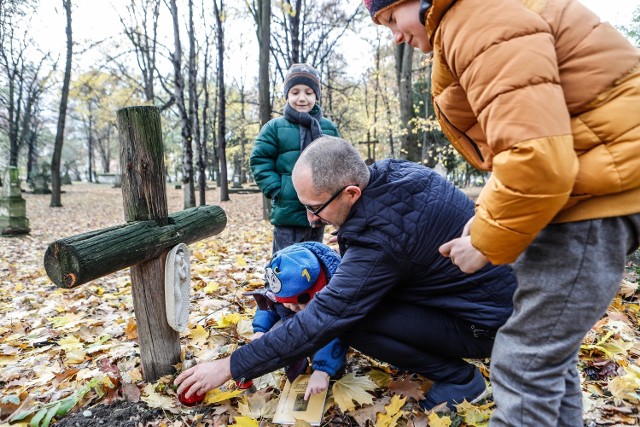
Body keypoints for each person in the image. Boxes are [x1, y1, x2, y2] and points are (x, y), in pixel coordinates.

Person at [363, 0, 640, 425]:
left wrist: (484, 243)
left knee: (523, 362)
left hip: (592, 201)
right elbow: (522, 144)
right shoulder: (477, 18)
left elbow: (536, 159)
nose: (395, 35)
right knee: (548, 358)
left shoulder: (476, 22)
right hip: (585, 192)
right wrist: (485, 216)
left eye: (390, 18)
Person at [176, 136, 518, 411]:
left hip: (487, 325)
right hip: (491, 299)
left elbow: (326, 316)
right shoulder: (391, 173)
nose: (311, 219)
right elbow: (402, 234)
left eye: (315, 207)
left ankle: (460, 380)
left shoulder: (380, 241)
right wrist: (354, 233)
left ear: (351, 192)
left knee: (350, 319)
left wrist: (230, 366)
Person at [250, 63, 340, 254]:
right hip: (288, 209)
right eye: (295, 92)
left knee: (314, 259)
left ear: (316, 96)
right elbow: (260, 160)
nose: (302, 98)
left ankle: (314, 286)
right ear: (287, 95)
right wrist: (278, 189)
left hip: (319, 208)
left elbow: (338, 162)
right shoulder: (274, 128)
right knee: (286, 261)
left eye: (308, 92)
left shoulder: (328, 128)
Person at [249, 241, 345, 400]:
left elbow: (334, 333)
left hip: (325, 331)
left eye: (297, 304)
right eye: (286, 302)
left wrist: (322, 371)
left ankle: (329, 372)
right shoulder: (282, 288)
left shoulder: (334, 296)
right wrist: (260, 330)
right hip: (294, 327)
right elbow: (268, 307)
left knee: (326, 344)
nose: (290, 307)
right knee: (281, 336)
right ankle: (296, 369)